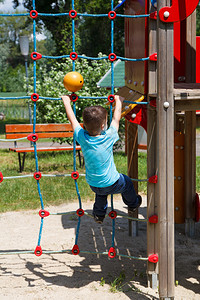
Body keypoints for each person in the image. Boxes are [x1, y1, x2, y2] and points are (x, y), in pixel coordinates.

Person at [61, 95, 142, 224]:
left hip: (93, 184)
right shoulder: (109, 137)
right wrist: (119, 101)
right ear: (103, 125)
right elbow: (116, 119)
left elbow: (72, 120)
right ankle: (132, 203)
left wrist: (66, 102)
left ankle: (99, 214)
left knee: (101, 191)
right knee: (126, 182)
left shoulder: (82, 137)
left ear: (84, 125)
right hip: (113, 183)